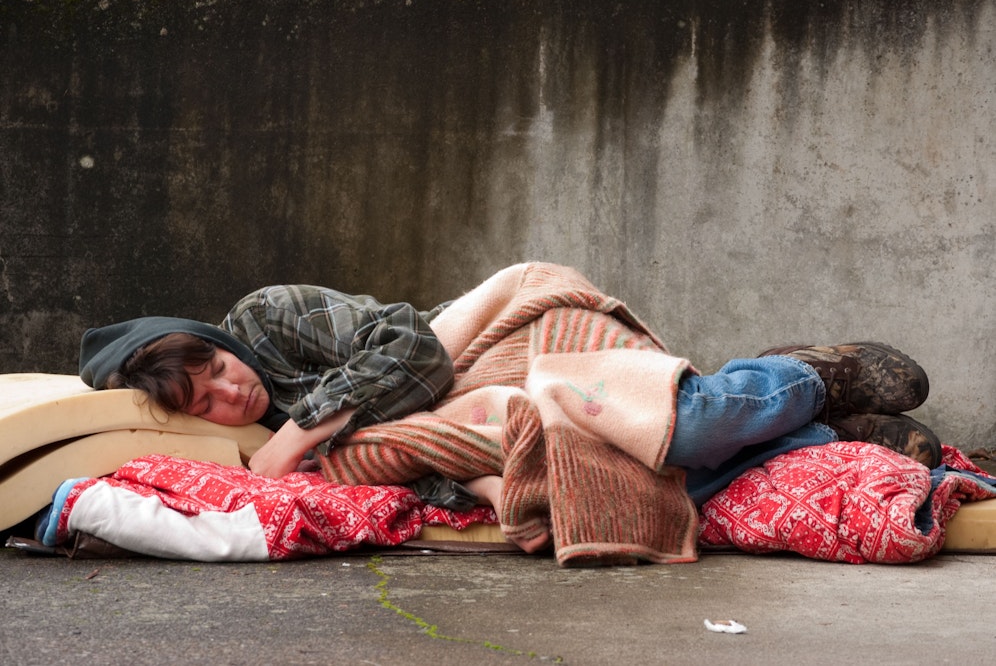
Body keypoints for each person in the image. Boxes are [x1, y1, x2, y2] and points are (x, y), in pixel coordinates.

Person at [78, 265, 941, 553]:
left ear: (213, 338)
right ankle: (829, 434)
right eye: (208, 403)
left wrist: (302, 428)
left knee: (692, 423)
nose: (235, 392)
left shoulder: (271, 316)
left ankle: (806, 376)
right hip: (491, 418)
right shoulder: (263, 460)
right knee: (668, 477)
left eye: (222, 369)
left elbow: (412, 347)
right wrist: (494, 489)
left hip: (503, 347)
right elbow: (412, 473)